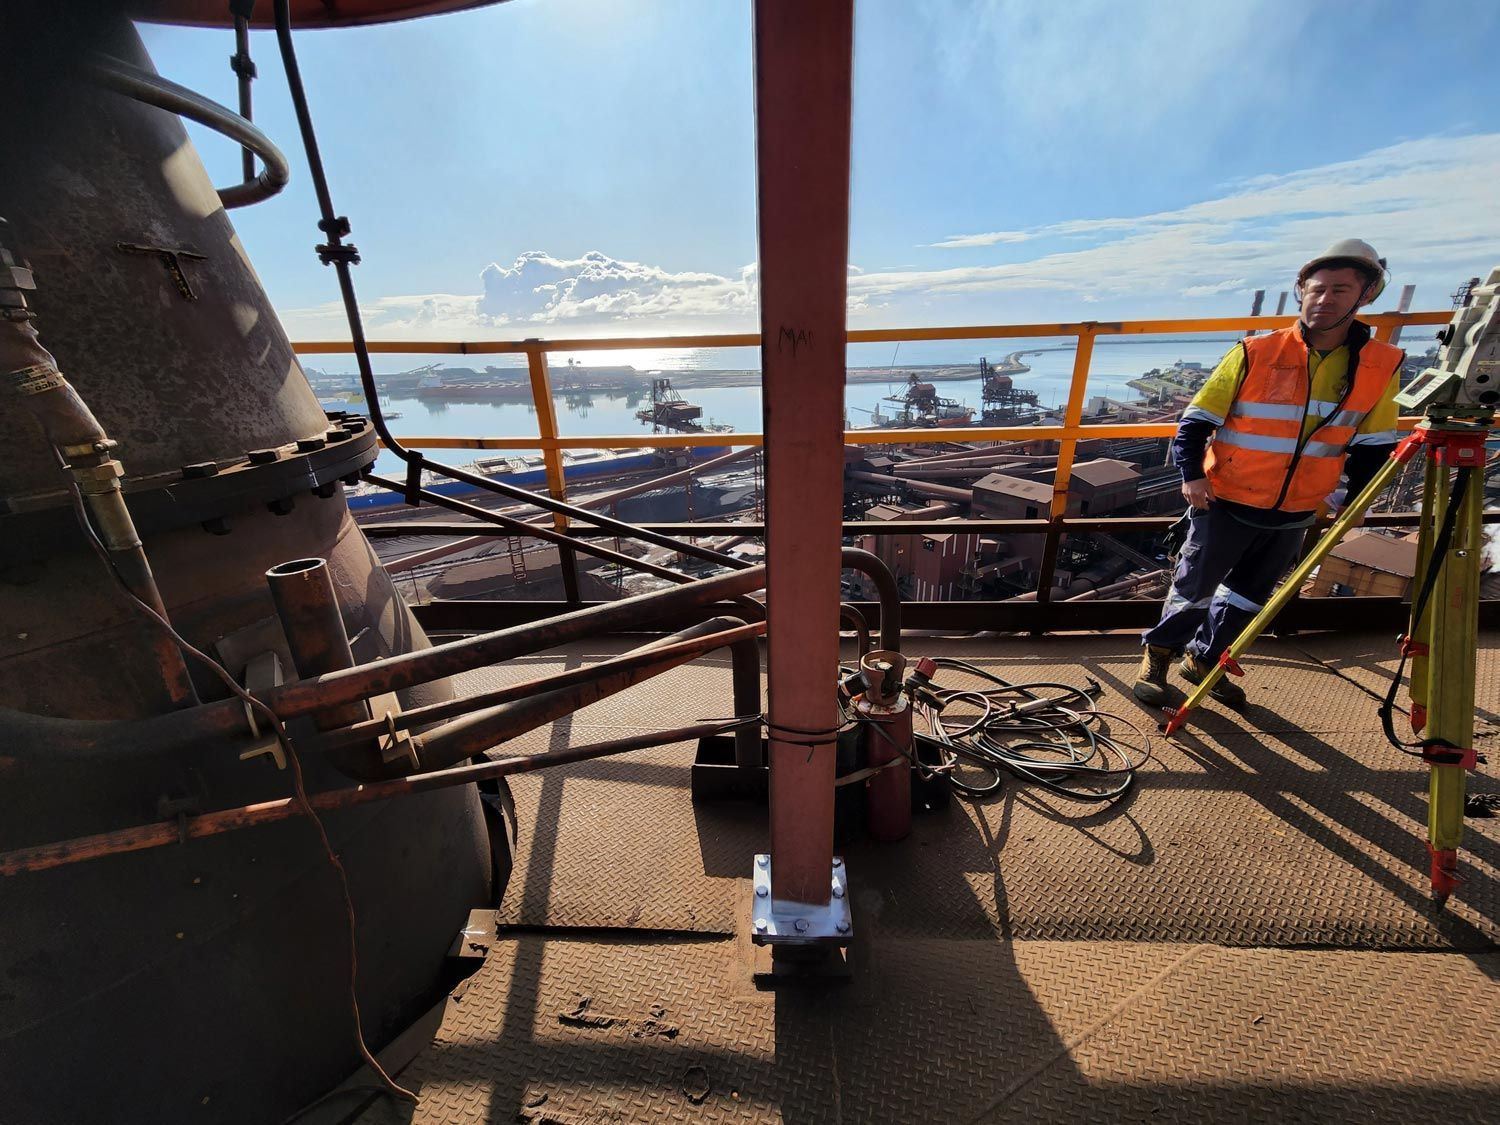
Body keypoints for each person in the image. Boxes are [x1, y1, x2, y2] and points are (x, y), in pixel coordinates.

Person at [1133, 239, 1403, 709]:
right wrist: (1192, 475)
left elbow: (1373, 445)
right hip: (1225, 496)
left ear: (1365, 296)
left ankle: (1205, 660)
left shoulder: (1382, 365)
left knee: (1248, 596)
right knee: (1193, 586)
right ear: (1301, 292)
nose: (1325, 300)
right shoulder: (1257, 351)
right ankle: (1158, 654)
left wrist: (1357, 502)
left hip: (1299, 504)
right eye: (1317, 289)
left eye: (1341, 290)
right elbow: (1197, 421)